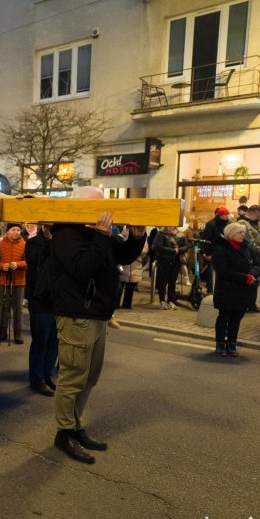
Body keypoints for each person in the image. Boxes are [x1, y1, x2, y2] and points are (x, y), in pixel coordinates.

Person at [50, 186, 146, 464]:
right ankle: (64, 431)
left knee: (90, 377)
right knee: (72, 377)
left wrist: (136, 235)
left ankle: (75, 425)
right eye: (96, 206)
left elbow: (123, 256)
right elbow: (83, 268)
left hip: (98, 314)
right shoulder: (65, 233)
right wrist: (102, 237)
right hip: (77, 314)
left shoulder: (96, 231)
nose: (103, 211)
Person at [211, 222, 259, 356]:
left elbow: (257, 264)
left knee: (237, 318)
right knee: (224, 317)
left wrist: (253, 274)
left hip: (243, 290)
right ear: (230, 233)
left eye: (243, 232)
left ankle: (232, 344)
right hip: (227, 289)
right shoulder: (221, 249)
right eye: (239, 232)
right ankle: (220, 344)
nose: (242, 235)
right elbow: (222, 271)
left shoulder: (246, 247)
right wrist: (245, 278)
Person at [25, 224, 57, 396]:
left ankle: (47, 375)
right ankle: (37, 379)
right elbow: (33, 260)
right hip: (40, 301)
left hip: (56, 301)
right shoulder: (34, 242)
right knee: (40, 342)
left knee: (54, 342)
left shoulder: (59, 242)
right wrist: (48, 241)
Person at [0, 223, 27, 344]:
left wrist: (18, 264)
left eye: (18, 230)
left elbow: (27, 263)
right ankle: (2, 333)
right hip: (3, 280)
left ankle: (18, 334)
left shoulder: (24, 244)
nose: (17, 232)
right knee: (4, 308)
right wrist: (2, 266)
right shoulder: (0, 244)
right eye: (14, 230)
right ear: (8, 231)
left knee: (18, 309)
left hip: (19, 280)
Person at [238, 205, 260, 312]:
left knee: (256, 282)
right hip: (251, 257)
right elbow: (249, 242)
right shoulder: (244, 223)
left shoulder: (258, 223)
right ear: (257, 212)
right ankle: (245, 304)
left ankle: (251, 304)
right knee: (249, 281)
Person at [200, 207, 231, 294]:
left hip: (223, 252)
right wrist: (206, 253)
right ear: (220, 215)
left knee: (221, 272)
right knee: (210, 272)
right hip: (212, 252)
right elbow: (206, 239)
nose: (227, 216)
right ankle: (211, 290)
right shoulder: (211, 224)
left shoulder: (228, 224)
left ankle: (219, 289)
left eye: (228, 214)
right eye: (226, 214)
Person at [152, 226, 182, 310]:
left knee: (172, 282)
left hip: (175, 262)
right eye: (172, 226)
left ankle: (171, 300)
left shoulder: (176, 236)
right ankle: (162, 301)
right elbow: (157, 247)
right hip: (164, 262)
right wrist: (172, 251)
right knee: (163, 282)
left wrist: (179, 250)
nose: (174, 227)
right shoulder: (160, 234)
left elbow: (184, 246)